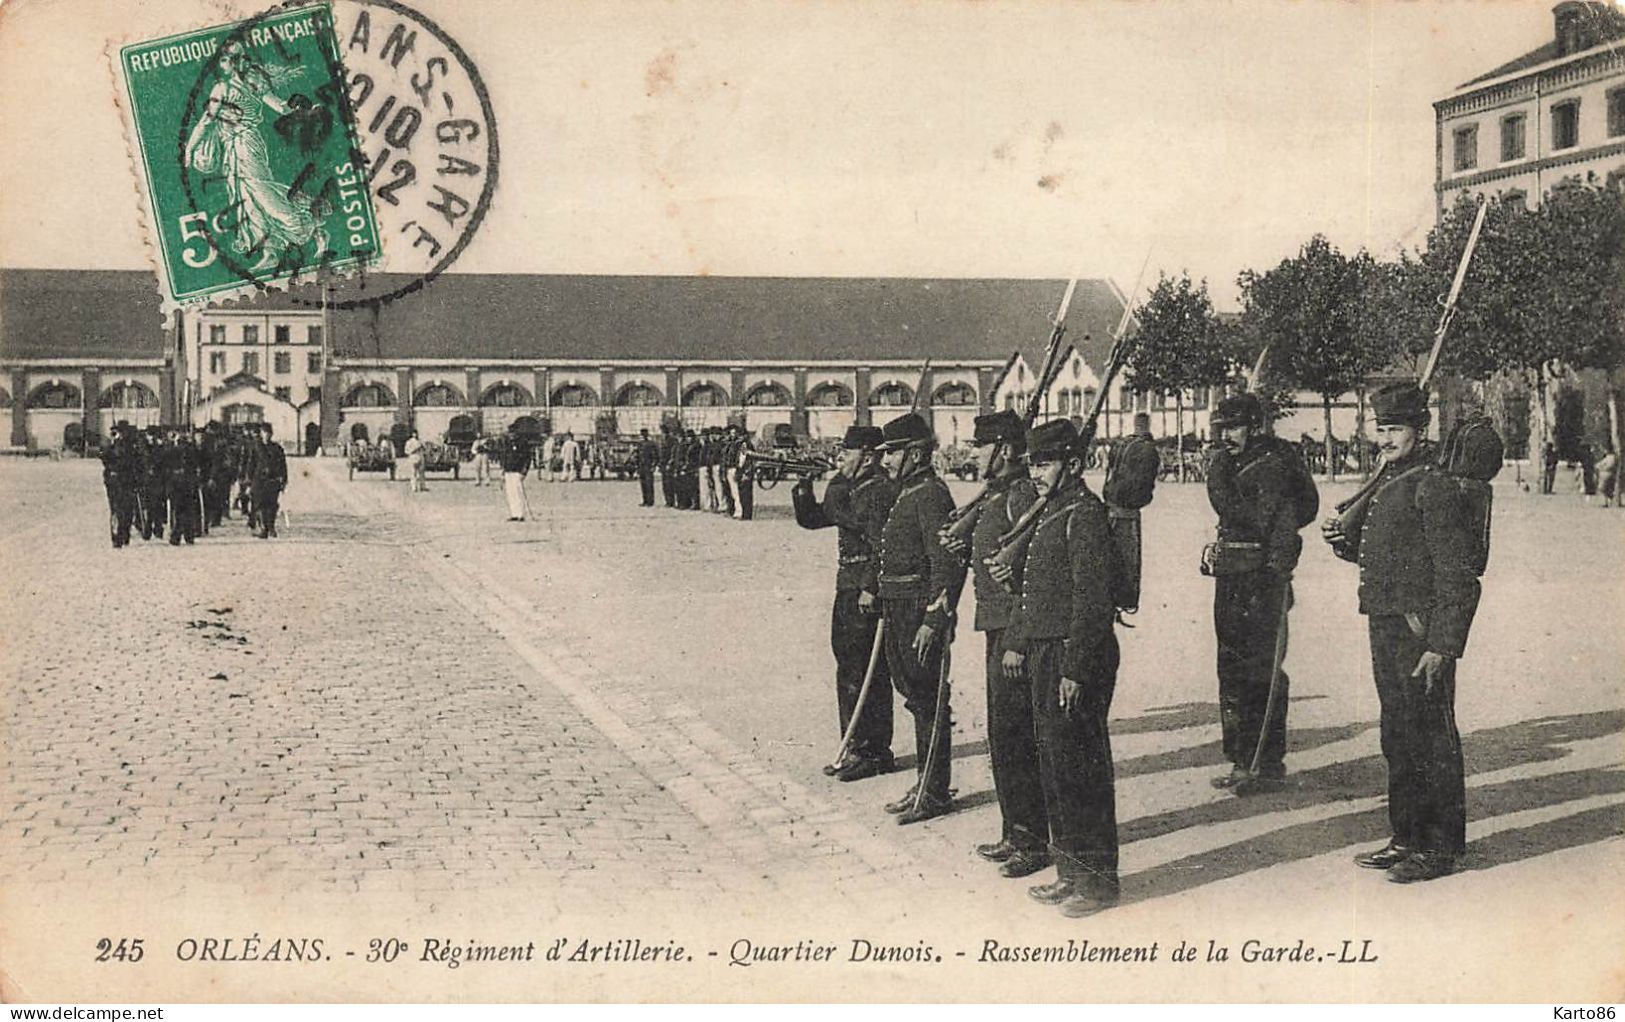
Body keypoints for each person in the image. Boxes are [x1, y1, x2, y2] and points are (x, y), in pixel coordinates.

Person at [1322, 382, 1480, 884]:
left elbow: (1459, 575)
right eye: (1381, 429)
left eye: (1395, 429)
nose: (1385, 439)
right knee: (1397, 732)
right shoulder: (1394, 475)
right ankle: (1407, 835)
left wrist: (1442, 645)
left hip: (1419, 629)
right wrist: (1341, 542)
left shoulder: (1431, 484)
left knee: (1429, 735)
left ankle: (1440, 847)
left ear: (1421, 429)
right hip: (1387, 621)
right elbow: (1383, 550)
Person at [1001, 418, 1123, 916]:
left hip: (1076, 653)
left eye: (1045, 462)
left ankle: (1096, 882)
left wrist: (1075, 667)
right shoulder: (1053, 509)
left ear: (1073, 464)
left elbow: (1093, 600)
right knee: (1055, 768)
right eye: (1032, 462)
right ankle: (1069, 871)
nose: (1035, 471)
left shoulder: (1084, 514)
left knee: (1081, 769)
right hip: (1048, 652)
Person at [938, 411, 1047, 877]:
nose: (975, 454)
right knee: (1003, 735)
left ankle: (1033, 839)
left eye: (982, 447)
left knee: (1018, 734)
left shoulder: (1021, 494)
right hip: (996, 626)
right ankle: (1015, 830)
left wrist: (1018, 641)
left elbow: (1032, 577)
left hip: (1013, 632)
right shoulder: (999, 494)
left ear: (1002, 449)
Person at [1203, 394, 1311, 793]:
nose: (1225, 436)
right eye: (1222, 428)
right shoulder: (1236, 461)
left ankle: (1263, 763)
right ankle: (1241, 759)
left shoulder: (1272, 466)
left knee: (1260, 673)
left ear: (1256, 426)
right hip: (1233, 577)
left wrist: (1278, 578)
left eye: (1233, 427)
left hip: (1261, 582)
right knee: (1230, 669)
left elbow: (1274, 524)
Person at [793, 425, 899, 783]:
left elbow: (882, 543)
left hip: (864, 592)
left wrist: (872, 586)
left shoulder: (879, 490)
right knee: (848, 664)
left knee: (865, 669)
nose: (839, 456)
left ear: (868, 456)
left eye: (847, 451)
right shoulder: (855, 487)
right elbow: (814, 518)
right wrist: (804, 488)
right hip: (848, 587)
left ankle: (872, 750)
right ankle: (855, 745)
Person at [874, 412, 958, 825]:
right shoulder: (910, 491)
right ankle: (926, 780)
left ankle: (935, 791)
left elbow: (945, 563)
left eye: (891, 453)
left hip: (918, 612)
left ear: (916, 454)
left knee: (929, 699)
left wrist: (933, 620)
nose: (885, 461)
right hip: (898, 606)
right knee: (915, 696)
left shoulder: (930, 494)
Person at [100, 423, 140, 548]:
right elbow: (104, 458)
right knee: (116, 510)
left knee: (128, 510)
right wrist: (111, 444)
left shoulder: (130, 447)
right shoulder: (110, 447)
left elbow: (135, 462)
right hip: (114, 482)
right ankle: (116, 537)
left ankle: (125, 534)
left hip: (127, 481)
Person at [164, 427, 203, 545]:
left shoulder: (185, 448)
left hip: (183, 482)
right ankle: (186, 534)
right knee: (183, 509)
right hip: (180, 482)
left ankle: (180, 534)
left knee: (183, 509)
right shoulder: (172, 448)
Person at [251, 422, 288, 538]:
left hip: (273, 480)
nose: (266, 435)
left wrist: (283, 479)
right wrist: (247, 480)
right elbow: (250, 464)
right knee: (259, 504)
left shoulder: (277, 448)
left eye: (268, 433)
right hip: (259, 480)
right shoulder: (256, 448)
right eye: (264, 433)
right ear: (261, 434)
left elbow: (283, 465)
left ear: (271, 434)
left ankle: (271, 527)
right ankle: (263, 528)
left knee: (272, 504)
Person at [500, 423, 532, 521]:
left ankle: (521, 514)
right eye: (510, 433)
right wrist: (503, 470)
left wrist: (524, 472)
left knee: (518, 493)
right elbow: (503, 457)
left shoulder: (523, 443)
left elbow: (527, 458)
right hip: (508, 471)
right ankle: (514, 513)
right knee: (510, 493)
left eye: (513, 433)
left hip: (517, 471)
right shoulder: (507, 443)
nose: (511, 435)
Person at [635, 429, 659, 506]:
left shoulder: (651, 444)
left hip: (648, 466)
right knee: (643, 484)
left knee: (649, 485)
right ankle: (645, 500)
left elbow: (655, 455)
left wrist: (653, 465)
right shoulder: (640, 444)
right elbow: (637, 455)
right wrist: (637, 465)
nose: (642, 436)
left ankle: (650, 501)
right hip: (641, 466)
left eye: (644, 434)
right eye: (642, 435)